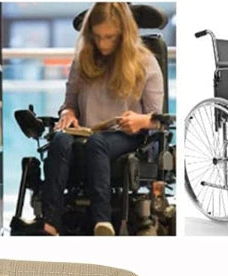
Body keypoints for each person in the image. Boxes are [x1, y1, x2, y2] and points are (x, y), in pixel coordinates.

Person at [42, 2, 164, 236]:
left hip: (126, 135)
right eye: (97, 37)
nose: (103, 44)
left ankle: (102, 220)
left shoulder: (146, 62)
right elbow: (69, 104)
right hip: (87, 133)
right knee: (59, 141)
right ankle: (51, 223)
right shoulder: (83, 60)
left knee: (98, 142)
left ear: (124, 34)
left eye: (110, 37)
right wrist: (68, 113)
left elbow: (157, 119)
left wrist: (140, 120)